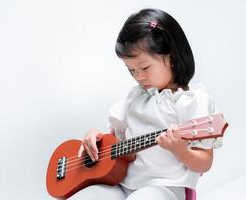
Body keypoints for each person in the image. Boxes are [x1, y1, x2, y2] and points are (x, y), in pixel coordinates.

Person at [71, 8, 222, 200]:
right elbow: (113, 141)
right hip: (122, 182)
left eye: (144, 67)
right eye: (131, 70)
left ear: (172, 57)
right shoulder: (135, 97)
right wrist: (94, 137)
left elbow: (204, 163)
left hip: (166, 187)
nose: (138, 77)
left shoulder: (193, 101)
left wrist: (179, 150)